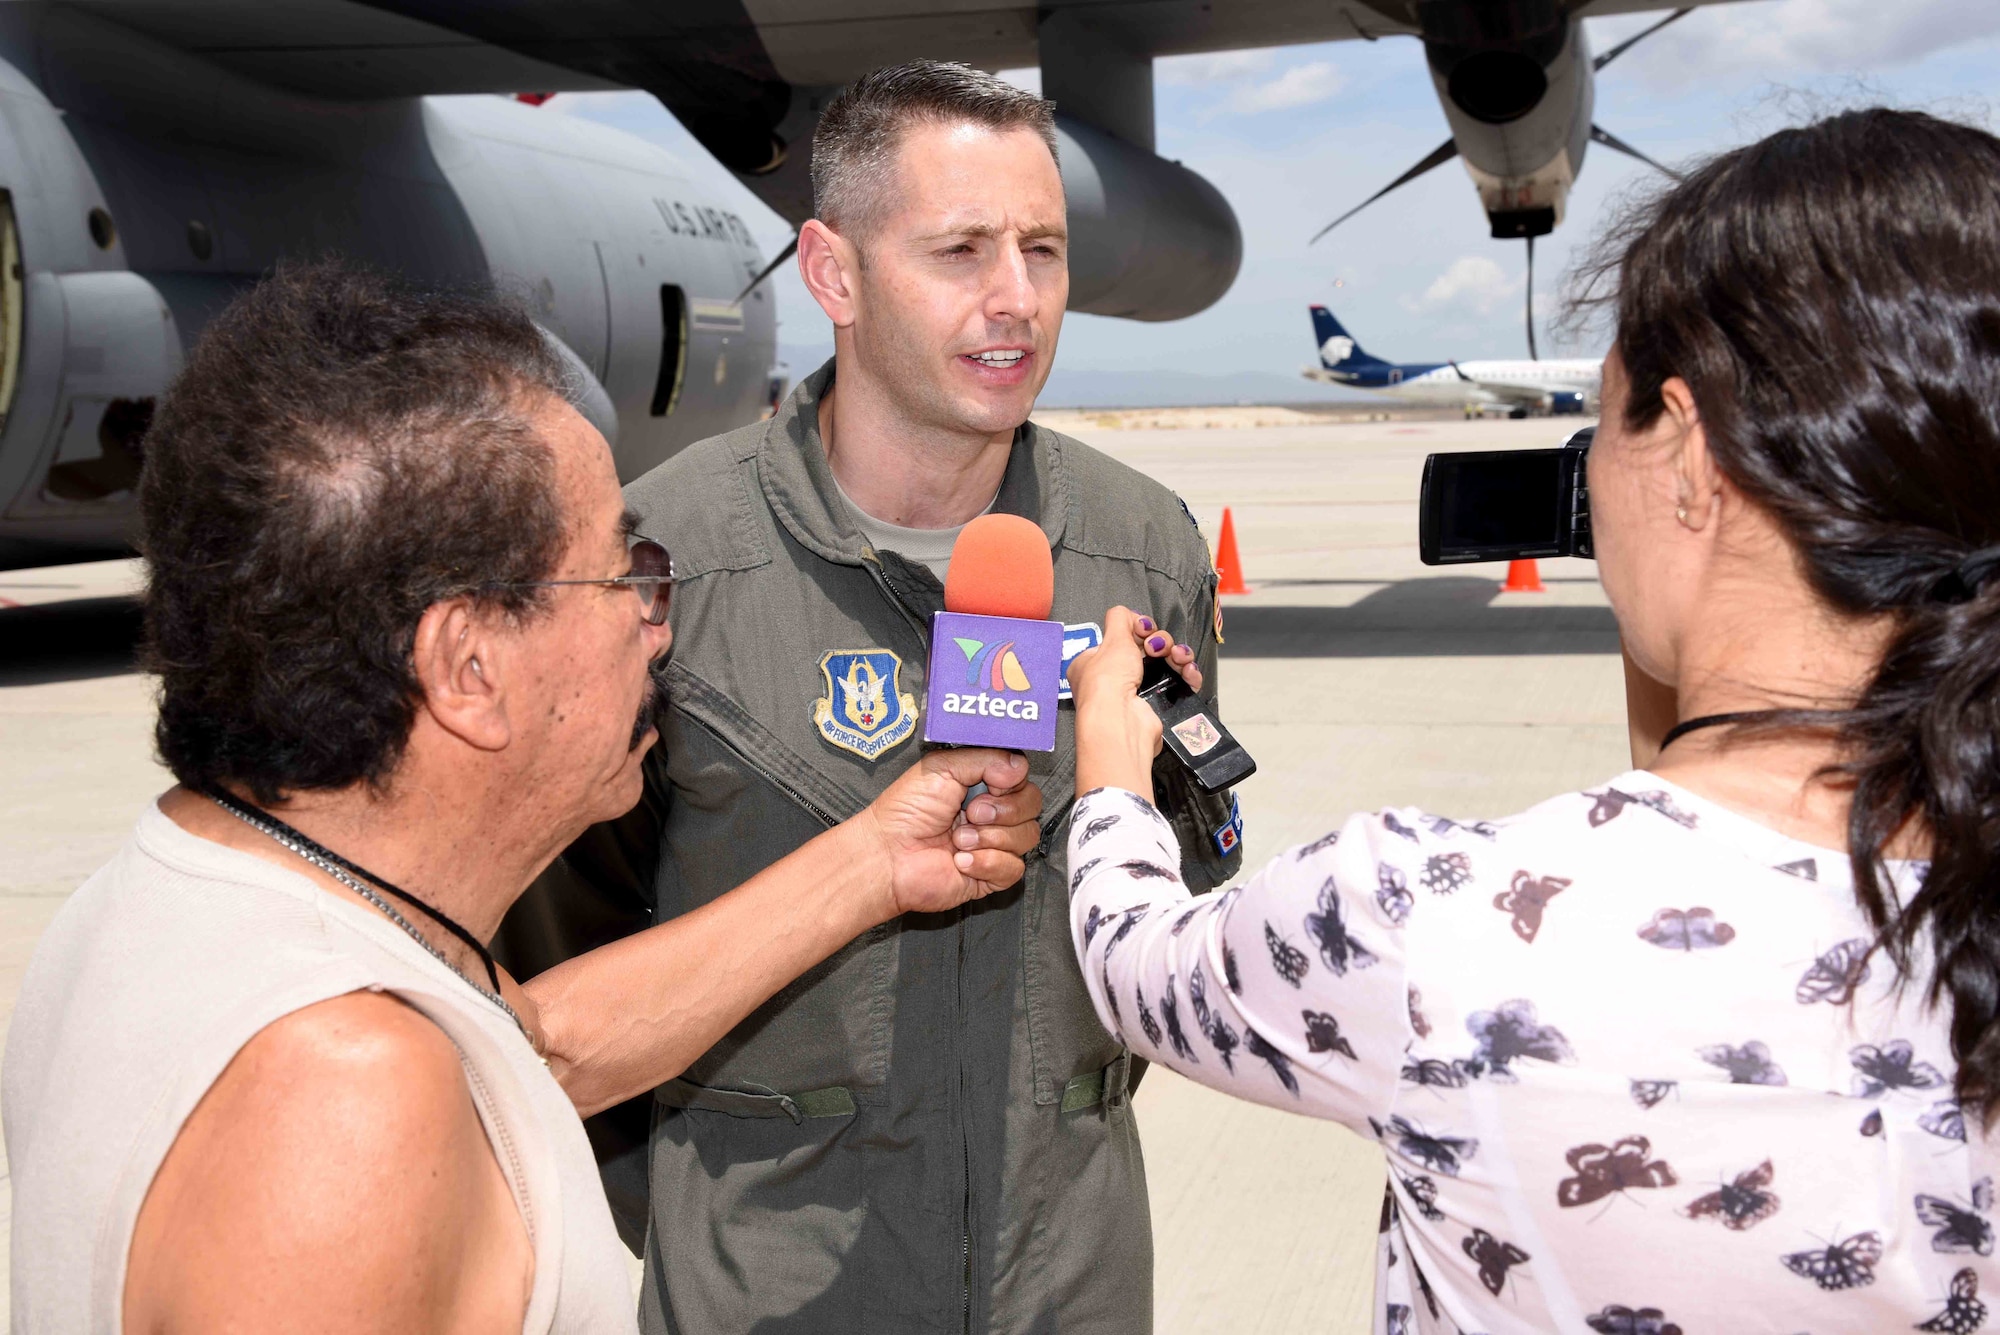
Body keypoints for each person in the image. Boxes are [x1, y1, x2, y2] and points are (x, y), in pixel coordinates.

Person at [1066, 108, 2000, 1333]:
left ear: (1687, 459)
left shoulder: (1434, 918)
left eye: (1606, 420)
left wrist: (1111, 749)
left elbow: (1133, 961)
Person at [3, 262, 1043, 1332]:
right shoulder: (347, 1096)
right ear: (468, 669)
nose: (655, 618)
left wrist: (876, 863)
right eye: (619, 569)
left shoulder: (213, 896)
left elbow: (529, 1044)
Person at [499, 60, 1243, 1334]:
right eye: (959, 250)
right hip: (772, 1293)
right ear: (832, 274)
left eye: (1044, 251)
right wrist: (714, 1198)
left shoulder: (1142, 549)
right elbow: (562, 950)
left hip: (1067, 1288)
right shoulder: (660, 562)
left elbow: (1176, 901)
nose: (1017, 300)